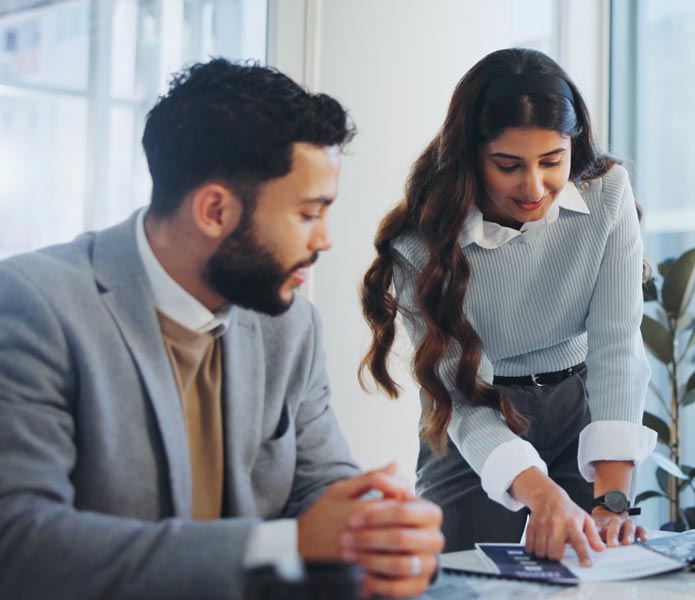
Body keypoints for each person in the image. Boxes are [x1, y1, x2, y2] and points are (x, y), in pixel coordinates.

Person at [0, 58, 443, 599]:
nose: (325, 239)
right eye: (308, 214)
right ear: (214, 211)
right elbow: (21, 544)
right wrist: (286, 545)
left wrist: (378, 531)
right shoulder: (34, 305)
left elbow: (320, 488)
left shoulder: (291, 325)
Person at [360, 48, 655, 560]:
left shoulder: (608, 196)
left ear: (573, 146)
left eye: (552, 161)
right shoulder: (421, 243)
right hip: (475, 412)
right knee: (455, 578)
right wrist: (539, 493)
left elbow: (617, 346)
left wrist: (611, 499)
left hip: (578, 408)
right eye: (508, 165)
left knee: (597, 569)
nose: (533, 186)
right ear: (470, 156)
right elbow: (454, 389)